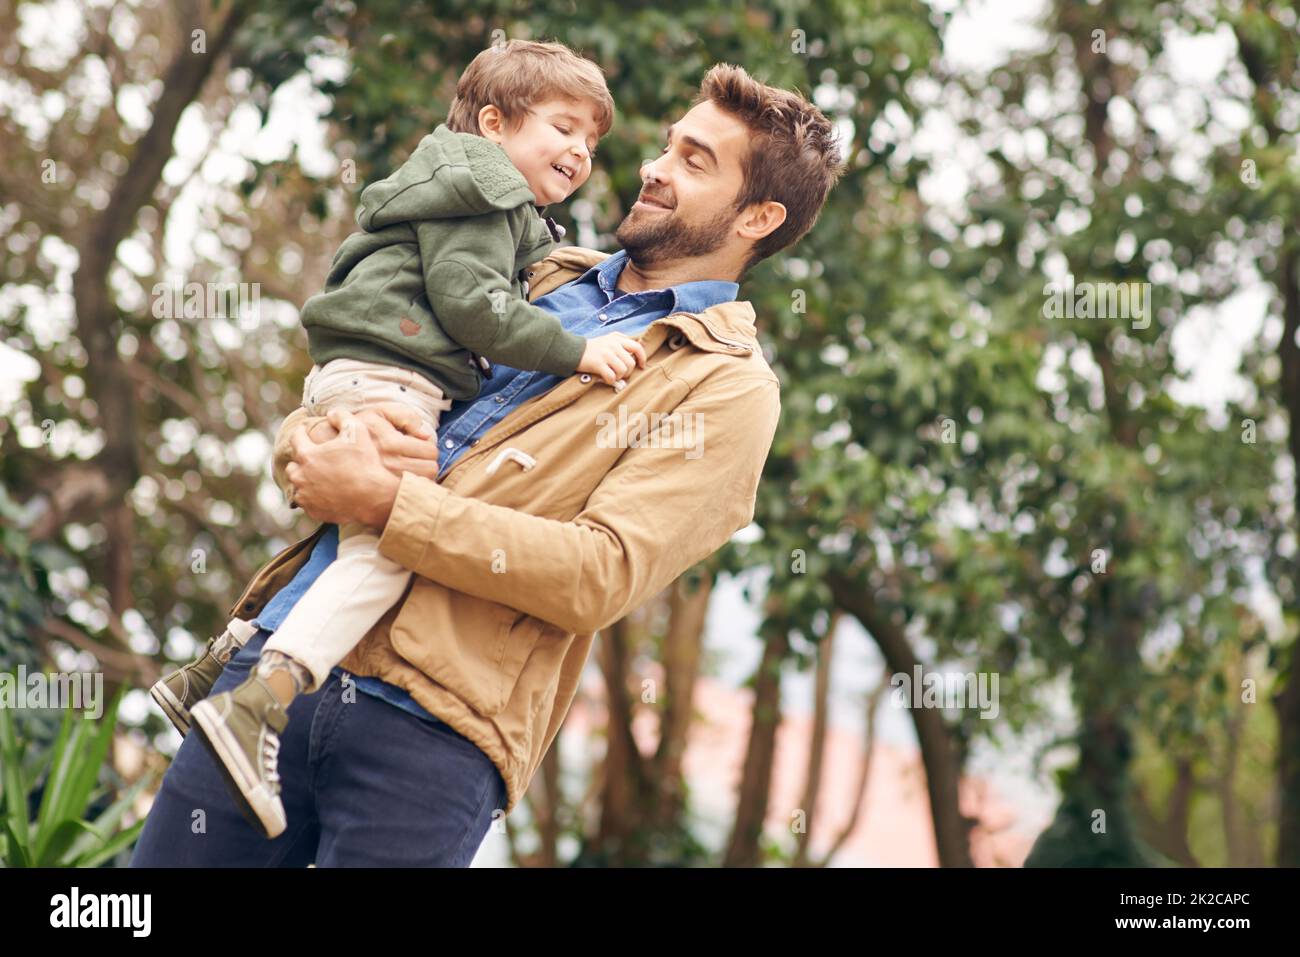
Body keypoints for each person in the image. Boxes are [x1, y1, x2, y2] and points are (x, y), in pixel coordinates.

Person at [130, 62, 845, 866]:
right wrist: (306, 443)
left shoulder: (727, 386)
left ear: (760, 216)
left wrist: (387, 504)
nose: (654, 166)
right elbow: (358, 363)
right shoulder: (525, 264)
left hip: (433, 735)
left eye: (694, 160)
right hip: (268, 667)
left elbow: (597, 572)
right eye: (669, 146)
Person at [148, 39, 644, 839]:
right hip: (395, 380)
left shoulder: (451, 183)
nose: (581, 152)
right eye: (562, 128)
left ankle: (218, 660)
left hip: (355, 372)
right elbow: (473, 303)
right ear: (494, 122)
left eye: (592, 141)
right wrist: (578, 350)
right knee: (382, 551)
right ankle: (257, 704)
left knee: (352, 533)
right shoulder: (486, 190)